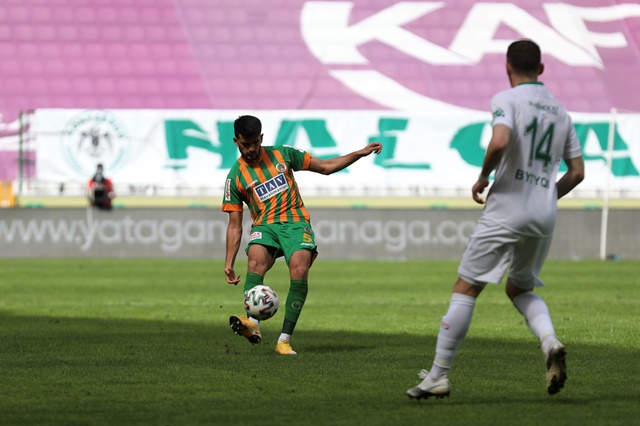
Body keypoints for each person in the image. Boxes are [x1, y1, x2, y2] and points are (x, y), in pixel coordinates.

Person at [406, 39, 585, 399]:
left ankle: (439, 376)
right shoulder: (561, 112)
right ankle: (549, 341)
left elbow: (500, 141)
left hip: (507, 207)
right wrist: (546, 197)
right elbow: (578, 172)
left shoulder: (507, 99)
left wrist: (483, 176)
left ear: (507, 67)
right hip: (543, 214)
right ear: (542, 68)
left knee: (466, 288)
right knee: (519, 288)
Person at [223, 115, 382, 355]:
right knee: (254, 262)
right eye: (246, 144)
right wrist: (229, 263)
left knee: (299, 269)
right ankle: (252, 323)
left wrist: (359, 153)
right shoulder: (234, 177)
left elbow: (325, 167)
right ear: (236, 141)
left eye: (255, 142)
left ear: (262, 138)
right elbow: (235, 225)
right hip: (264, 225)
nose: (252, 149)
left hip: (296, 223)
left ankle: (284, 340)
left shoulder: (283, 154)